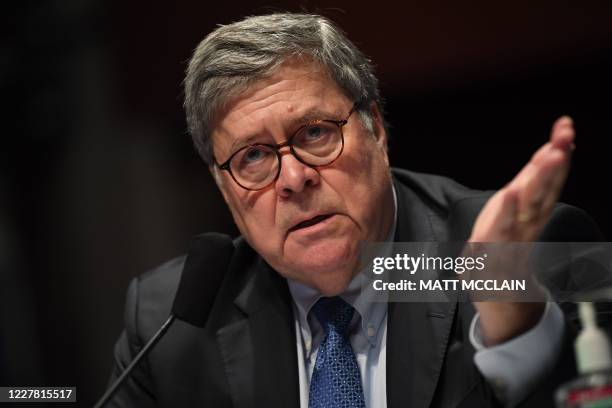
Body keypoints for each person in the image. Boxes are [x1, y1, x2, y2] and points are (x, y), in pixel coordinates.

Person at [106, 13, 606, 408]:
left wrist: (517, 327)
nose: (294, 178)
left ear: (376, 131)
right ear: (223, 185)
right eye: (253, 157)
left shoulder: (531, 248)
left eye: (315, 133)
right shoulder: (170, 323)